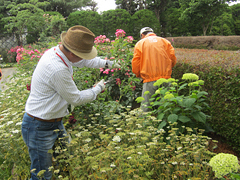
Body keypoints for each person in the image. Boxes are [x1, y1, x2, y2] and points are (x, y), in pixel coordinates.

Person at [21, 25, 120, 180]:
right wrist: (97, 89)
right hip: (38, 127)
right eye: (83, 54)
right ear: (73, 53)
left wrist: (107, 64)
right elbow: (76, 98)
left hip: (54, 122)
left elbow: (83, 62)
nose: (85, 58)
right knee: (41, 175)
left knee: (67, 160)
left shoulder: (59, 52)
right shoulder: (57, 68)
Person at [132, 27, 177, 112]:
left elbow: (136, 63)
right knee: (166, 107)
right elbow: (173, 59)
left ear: (142, 35)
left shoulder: (140, 43)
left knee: (146, 108)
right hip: (166, 78)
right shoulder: (165, 41)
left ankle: (145, 124)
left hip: (149, 79)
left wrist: (139, 75)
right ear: (152, 32)